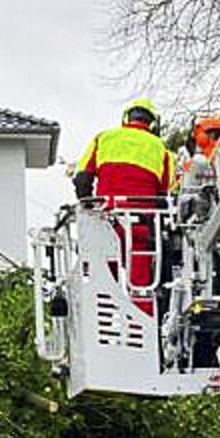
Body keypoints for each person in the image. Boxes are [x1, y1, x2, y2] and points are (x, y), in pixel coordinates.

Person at [73, 101, 175, 311]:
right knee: (141, 288)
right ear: (152, 124)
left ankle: (106, 331)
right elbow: (165, 193)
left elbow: (82, 179)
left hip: (105, 222)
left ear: (126, 118)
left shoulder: (104, 139)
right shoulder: (162, 150)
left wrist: (90, 210)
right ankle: (140, 332)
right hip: (140, 227)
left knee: (102, 282)